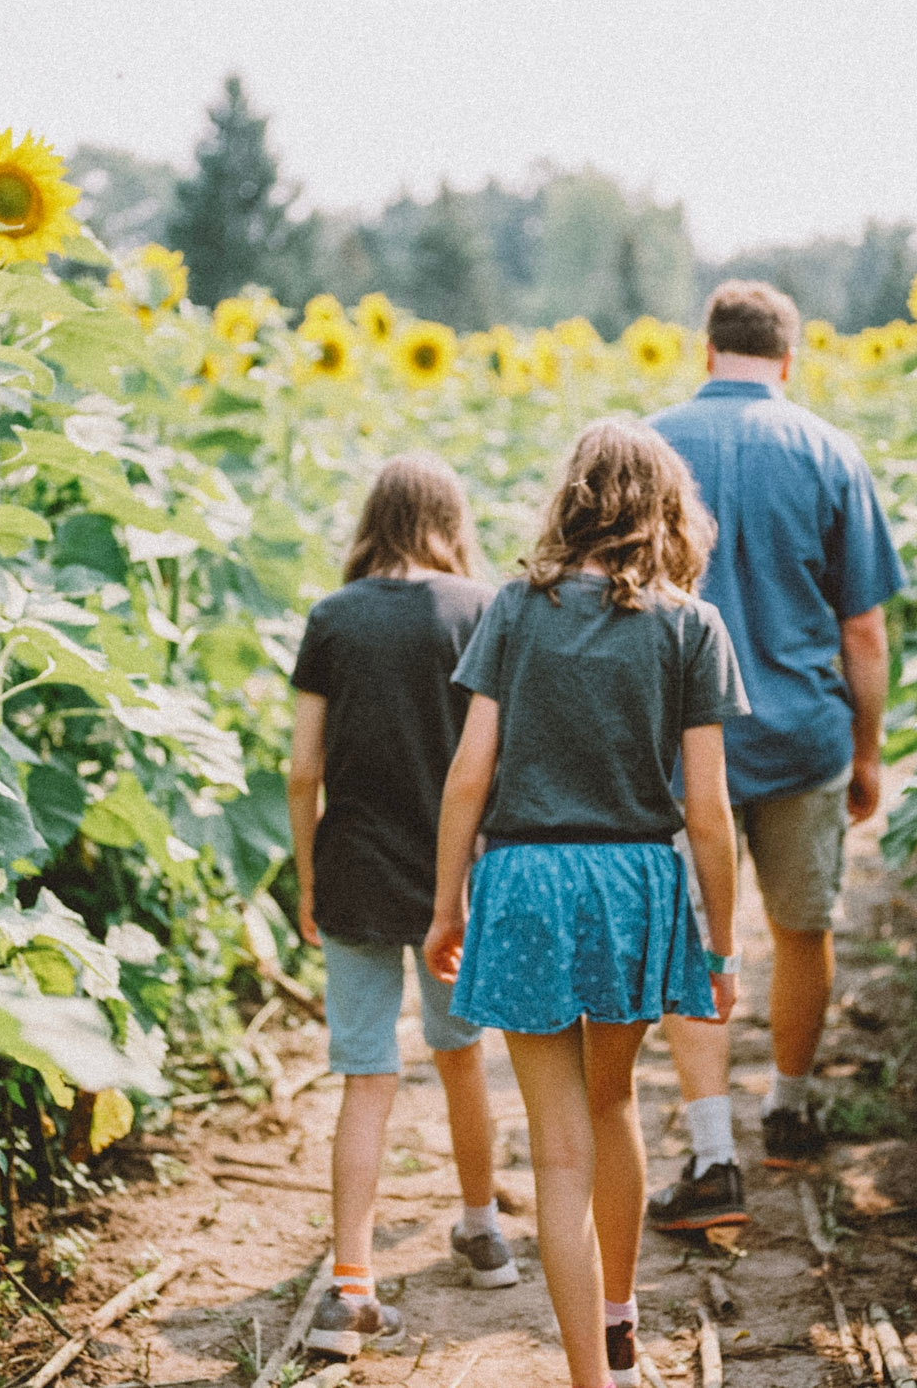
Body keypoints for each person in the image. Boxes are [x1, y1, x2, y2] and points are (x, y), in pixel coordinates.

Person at [424, 420, 747, 1388]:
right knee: (615, 1104)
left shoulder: (516, 610)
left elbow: (466, 775)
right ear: (667, 509)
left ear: (570, 498)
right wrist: (721, 945)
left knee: (554, 1156)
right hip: (632, 883)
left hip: (523, 882)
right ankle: (619, 1313)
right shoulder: (690, 625)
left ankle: (586, 1380)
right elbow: (707, 808)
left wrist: (447, 904)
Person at [642, 280, 907, 1232]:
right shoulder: (831, 451)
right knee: (803, 925)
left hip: (677, 745)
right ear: (788, 361)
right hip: (802, 734)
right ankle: (789, 1107)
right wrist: (867, 752)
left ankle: (712, 1155)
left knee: (691, 940)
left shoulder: (650, 448)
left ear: (706, 351)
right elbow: (865, 629)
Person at [287, 453, 521, 1361]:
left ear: (372, 521)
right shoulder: (479, 610)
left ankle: (351, 1287)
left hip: (352, 867)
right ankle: (483, 1230)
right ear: (449, 520)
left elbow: (304, 768)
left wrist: (307, 877)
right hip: (453, 878)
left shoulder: (332, 620)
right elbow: (494, 758)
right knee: (463, 1055)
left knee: (366, 1072)